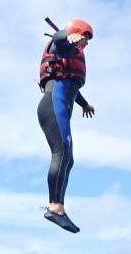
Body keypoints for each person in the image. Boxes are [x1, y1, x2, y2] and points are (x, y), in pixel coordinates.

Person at [37, 18, 95, 233]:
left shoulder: (70, 56)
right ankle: (55, 208)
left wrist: (84, 104)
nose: (86, 43)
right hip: (52, 106)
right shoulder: (61, 44)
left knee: (68, 158)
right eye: (84, 38)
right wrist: (67, 35)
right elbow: (58, 38)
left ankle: (58, 207)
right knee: (61, 154)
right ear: (75, 33)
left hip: (61, 106)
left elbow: (70, 85)